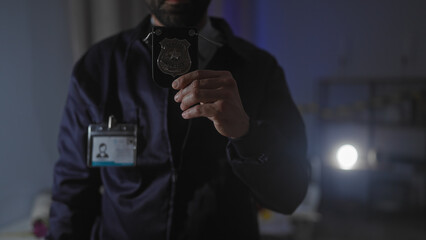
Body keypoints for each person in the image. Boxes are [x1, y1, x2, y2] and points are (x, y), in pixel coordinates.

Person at [47, 0, 310, 239]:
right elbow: (72, 194)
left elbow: (289, 195)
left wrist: (246, 133)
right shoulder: (99, 67)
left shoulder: (259, 69)